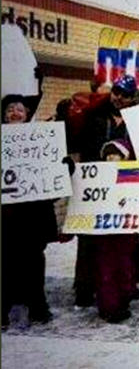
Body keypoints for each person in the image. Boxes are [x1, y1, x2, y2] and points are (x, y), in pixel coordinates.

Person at [74, 75, 139, 307]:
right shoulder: (94, 115)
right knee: (89, 240)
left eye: (124, 94)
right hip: (94, 185)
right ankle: (84, 289)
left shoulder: (137, 120)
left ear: (132, 98)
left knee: (127, 240)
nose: (119, 98)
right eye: (116, 92)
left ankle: (126, 285)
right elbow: (76, 140)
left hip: (125, 188)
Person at [1, 94, 61, 328]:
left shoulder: (41, 142)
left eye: (20, 110)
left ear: (27, 116)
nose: (15, 113)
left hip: (32, 217)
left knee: (34, 263)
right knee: (4, 263)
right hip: (5, 218)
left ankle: (38, 306)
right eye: (10, 110)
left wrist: (63, 169)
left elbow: (52, 188)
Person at [86, 139, 139, 323]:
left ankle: (123, 298)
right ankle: (109, 306)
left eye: (116, 156)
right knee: (106, 268)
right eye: (108, 157)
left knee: (125, 265)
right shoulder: (95, 179)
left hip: (125, 232)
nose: (112, 160)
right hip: (104, 233)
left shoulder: (134, 176)